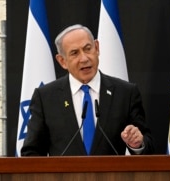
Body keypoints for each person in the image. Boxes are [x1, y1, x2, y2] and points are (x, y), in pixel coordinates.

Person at [21, 24, 155, 156]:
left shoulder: (126, 93)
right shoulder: (45, 98)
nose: (84, 58)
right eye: (74, 53)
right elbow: (31, 153)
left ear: (97, 48)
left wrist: (138, 144)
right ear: (62, 61)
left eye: (88, 49)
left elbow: (148, 147)